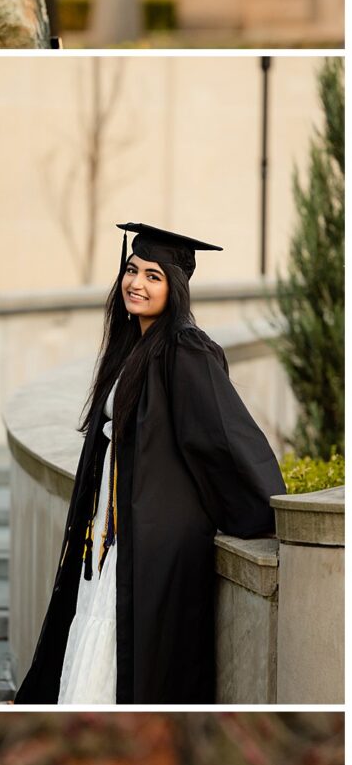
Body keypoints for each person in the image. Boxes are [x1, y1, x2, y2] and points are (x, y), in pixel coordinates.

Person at [17, 221, 285, 705]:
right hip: (111, 531)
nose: (136, 283)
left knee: (129, 649)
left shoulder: (185, 350)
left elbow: (223, 438)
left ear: (175, 287)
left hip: (154, 538)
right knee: (102, 632)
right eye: (131, 269)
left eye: (154, 276)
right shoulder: (131, 347)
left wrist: (263, 511)